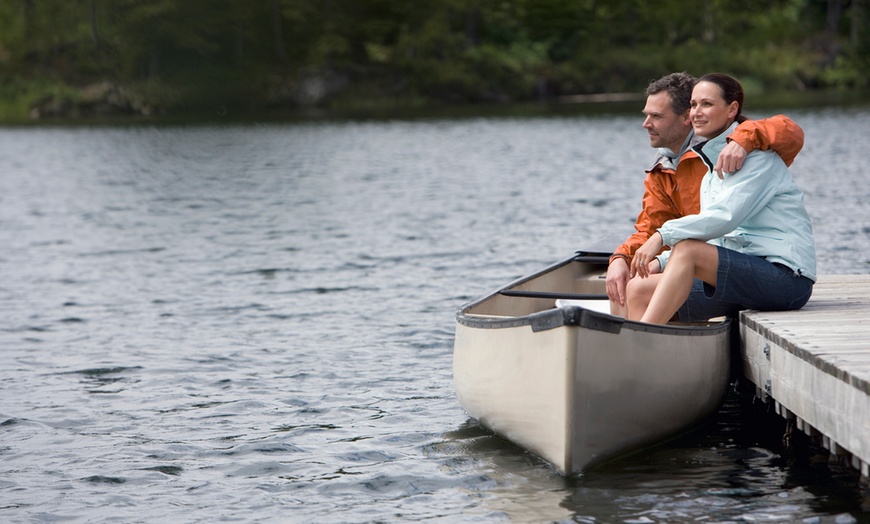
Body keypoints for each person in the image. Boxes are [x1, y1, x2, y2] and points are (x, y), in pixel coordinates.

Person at [605, 72, 804, 316]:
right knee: (633, 288)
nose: (646, 124)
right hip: (733, 266)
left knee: (688, 250)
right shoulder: (694, 167)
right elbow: (655, 228)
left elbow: (723, 218)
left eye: (656, 116)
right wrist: (622, 258)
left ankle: (641, 342)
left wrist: (744, 140)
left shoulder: (751, 154)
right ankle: (642, 350)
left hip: (783, 276)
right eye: (693, 105)